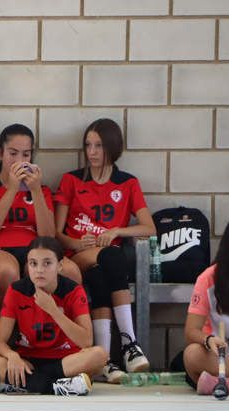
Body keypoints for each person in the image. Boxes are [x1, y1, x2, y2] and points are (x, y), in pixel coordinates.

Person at [54, 118, 155, 383]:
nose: (92, 152)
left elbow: (149, 228)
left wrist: (117, 231)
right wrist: (76, 243)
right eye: (88, 145)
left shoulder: (127, 183)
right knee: (112, 257)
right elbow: (56, 233)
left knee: (103, 274)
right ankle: (130, 344)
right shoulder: (71, 181)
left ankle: (104, 360)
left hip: (109, 262)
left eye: (99, 145)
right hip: (78, 255)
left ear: (112, 147)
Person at [0, 124, 80, 339]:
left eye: (26, 154)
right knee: (5, 271)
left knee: (70, 270)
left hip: (34, 251)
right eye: (12, 153)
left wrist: (35, 191)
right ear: (0, 154)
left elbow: (48, 236)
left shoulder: (41, 189)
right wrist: (11, 189)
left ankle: (61, 337)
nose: (19, 160)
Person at [0, 237, 107, 396]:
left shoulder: (73, 291)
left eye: (47, 263)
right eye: (33, 263)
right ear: (27, 266)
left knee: (99, 355)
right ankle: (56, 385)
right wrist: (12, 355)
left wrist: (54, 311)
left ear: (60, 266)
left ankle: (20, 384)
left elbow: (86, 341)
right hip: (27, 361)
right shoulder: (17, 290)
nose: (39, 270)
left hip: (64, 360)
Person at [182, 219, 229, 394]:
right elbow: (191, 331)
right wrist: (209, 340)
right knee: (192, 354)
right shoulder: (209, 278)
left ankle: (218, 385)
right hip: (220, 356)